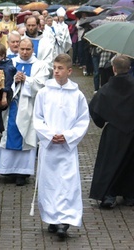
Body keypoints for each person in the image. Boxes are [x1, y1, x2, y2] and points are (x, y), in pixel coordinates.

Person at [33, 54, 90, 239]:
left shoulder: (77, 95)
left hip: (67, 148)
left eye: (60, 68)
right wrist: (49, 135)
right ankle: (52, 217)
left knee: (66, 183)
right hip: (49, 147)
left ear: (69, 71)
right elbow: (38, 117)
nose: (56, 71)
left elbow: (82, 120)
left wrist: (67, 136)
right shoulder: (44, 92)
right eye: (55, 68)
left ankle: (64, 220)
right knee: (49, 183)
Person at [0, 38, 49, 186]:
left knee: (26, 137)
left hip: (29, 107)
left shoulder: (40, 65)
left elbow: (42, 85)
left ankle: (22, 172)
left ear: (33, 50)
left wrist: (26, 79)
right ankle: (8, 170)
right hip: (12, 106)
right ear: (17, 49)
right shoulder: (10, 63)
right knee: (9, 132)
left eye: (28, 49)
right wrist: (14, 80)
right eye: (22, 49)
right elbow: (2, 81)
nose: (24, 52)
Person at [89, 55, 134, 208]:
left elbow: (95, 109)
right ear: (129, 68)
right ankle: (130, 195)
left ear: (113, 69)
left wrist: (102, 121)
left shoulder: (106, 89)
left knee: (109, 164)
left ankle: (109, 194)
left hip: (114, 132)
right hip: (132, 132)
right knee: (130, 164)